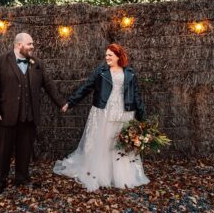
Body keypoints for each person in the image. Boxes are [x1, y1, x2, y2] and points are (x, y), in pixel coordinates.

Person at [53, 43, 149, 191]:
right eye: (106, 55)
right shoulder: (101, 71)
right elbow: (86, 87)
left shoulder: (130, 73)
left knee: (120, 143)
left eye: (110, 55)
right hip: (104, 111)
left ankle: (120, 176)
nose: (107, 57)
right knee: (104, 142)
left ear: (118, 56)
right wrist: (70, 103)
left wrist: (143, 119)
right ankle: (101, 175)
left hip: (124, 112)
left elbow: (136, 95)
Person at [0, 32, 67, 196]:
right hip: (6, 116)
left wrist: (62, 103)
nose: (32, 47)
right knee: (3, 152)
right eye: (29, 44)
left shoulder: (36, 63)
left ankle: (21, 178)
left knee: (25, 150)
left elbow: (49, 84)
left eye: (32, 44)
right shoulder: (0, 60)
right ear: (18, 45)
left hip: (29, 117)